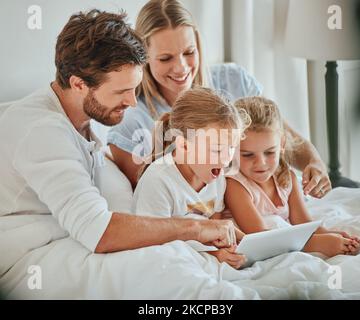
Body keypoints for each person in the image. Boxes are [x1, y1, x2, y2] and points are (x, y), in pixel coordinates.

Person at [0, 9, 238, 254]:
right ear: (79, 84)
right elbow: (99, 231)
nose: (133, 102)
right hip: (30, 252)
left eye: (134, 89)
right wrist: (195, 229)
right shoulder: (42, 132)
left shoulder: (80, 122)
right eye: (121, 92)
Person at [107, 0, 331, 199]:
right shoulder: (131, 118)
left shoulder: (233, 81)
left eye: (189, 52)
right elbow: (148, 197)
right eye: (166, 58)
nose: (182, 68)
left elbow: (280, 136)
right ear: (144, 59)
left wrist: (314, 163)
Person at [224, 96, 360, 258]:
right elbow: (260, 237)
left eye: (269, 152)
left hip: (284, 239)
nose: (261, 163)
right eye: (247, 155)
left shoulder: (287, 176)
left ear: (282, 144)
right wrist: (320, 243)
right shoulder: (234, 185)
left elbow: (303, 222)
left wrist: (330, 234)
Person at [132, 87, 247, 269]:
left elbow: (213, 223)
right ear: (184, 146)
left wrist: (233, 245)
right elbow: (154, 239)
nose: (226, 159)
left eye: (231, 147)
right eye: (217, 150)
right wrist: (214, 254)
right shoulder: (158, 180)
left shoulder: (217, 176)